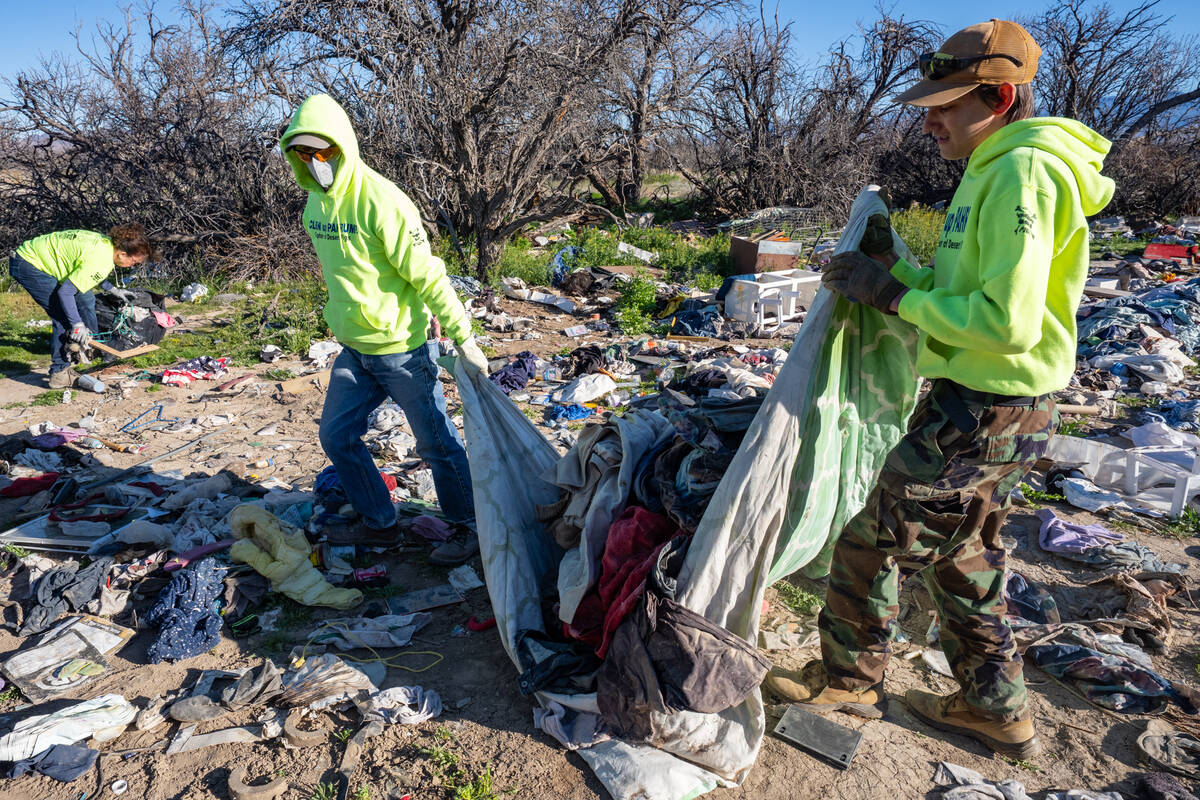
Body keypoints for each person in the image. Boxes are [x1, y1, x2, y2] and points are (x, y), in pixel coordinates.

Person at [764, 19, 1115, 759]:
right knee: (965, 557)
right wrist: (907, 272)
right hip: (994, 403)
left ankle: (850, 681)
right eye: (930, 104)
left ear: (1001, 96)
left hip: (987, 404)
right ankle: (997, 709)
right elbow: (969, 289)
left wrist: (893, 299)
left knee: (870, 538)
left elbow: (1007, 322)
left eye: (948, 105)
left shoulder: (1023, 173)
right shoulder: (992, 167)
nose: (931, 121)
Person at [281, 94, 490, 566]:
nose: (316, 163)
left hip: (402, 349)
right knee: (337, 437)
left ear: (343, 146)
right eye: (304, 154)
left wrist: (464, 337)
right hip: (354, 348)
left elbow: (428, 274)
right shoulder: (314, 206)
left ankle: (468, 525)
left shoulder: (383, 201)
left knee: (435, 443)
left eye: (324, 152)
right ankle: (379, 521)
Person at [8, 225, 156, 388]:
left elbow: (85, 269)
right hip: (29, 264)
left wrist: (112, 289)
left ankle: (87, 345)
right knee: (63, 317)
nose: (132, 266)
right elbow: (65, 293)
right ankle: (59, 373)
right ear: (122, 254)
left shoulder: (105, 244)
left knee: (86, 299)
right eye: (133, 262)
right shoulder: (101, 260)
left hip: (35, 257)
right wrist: (77, 324)